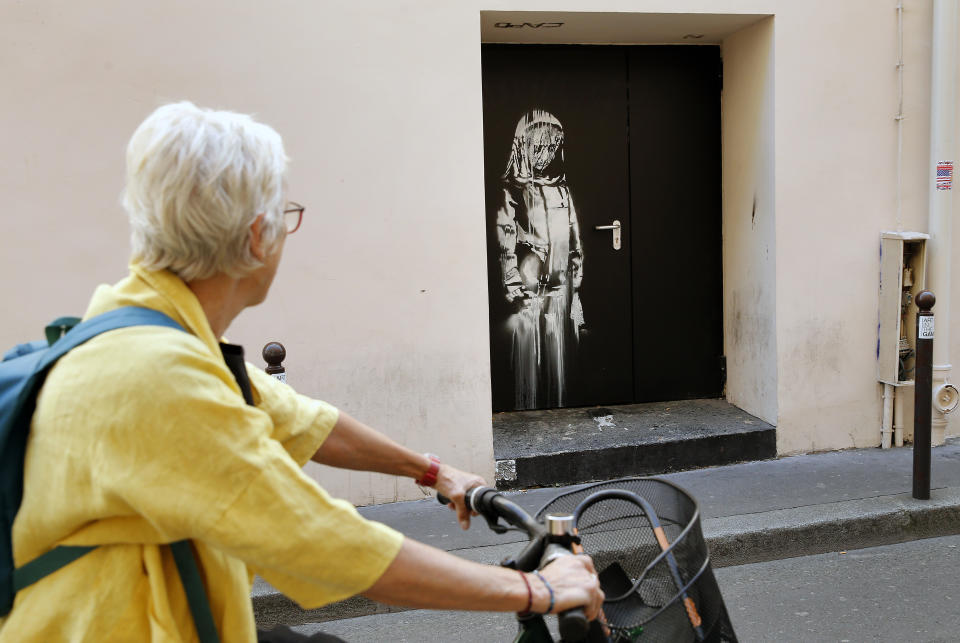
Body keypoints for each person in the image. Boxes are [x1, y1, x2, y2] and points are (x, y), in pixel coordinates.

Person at [0, 102, 603, 642]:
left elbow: (304, 421)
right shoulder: (157, 377)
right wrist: (538, 591)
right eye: (287, 214)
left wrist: (434, 471)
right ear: (259, 236)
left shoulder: (150, 332)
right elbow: (323, 544)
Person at [495, 110, 585, 410]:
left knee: (560, 366)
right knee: (528, 369)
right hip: (528, 294)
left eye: (551, 147)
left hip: (560, 291)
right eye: (538, 148)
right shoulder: (514, 192)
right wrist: (513, 286)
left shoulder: (562, 190)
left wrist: (577, 288)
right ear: (522, 146)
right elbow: (506, 240)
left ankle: (560, 411)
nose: (545, 155)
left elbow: (574, 241)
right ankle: (528, 414)